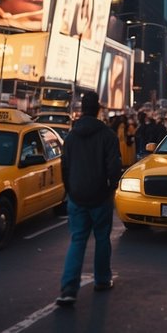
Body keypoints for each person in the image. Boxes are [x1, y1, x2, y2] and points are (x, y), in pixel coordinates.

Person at [56, 92, 122, 307]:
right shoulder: (107, 135)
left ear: (81, 109)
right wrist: (111, 187)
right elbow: (114, 167)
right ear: (98, 109)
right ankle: (102, 279)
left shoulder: (71, 137)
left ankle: (68, 288)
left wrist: (70, 190)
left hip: (77, 196)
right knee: (102, 238)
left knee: (77, 240)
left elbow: (64, 167)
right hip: (100, 196)